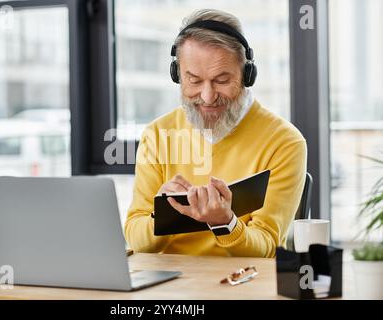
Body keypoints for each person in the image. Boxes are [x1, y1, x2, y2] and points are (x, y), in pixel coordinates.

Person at [124, 9, 307, 257]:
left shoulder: (284, 142)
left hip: (244, 286)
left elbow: (266, 246)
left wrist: (225, 223)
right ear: (177, 75)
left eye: (221, 80)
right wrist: (164, 215)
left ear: (246, 75)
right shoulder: (158, 134)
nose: (208, 96)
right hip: (171, 287)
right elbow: (136, 239)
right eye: (195, 81)